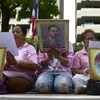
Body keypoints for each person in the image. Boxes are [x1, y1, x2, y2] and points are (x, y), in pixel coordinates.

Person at [0, 25, 39, 94]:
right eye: (13, 32)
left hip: (23, 78)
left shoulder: (30, 48)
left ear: (24, 36)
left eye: (18, 32)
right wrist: (7, 64)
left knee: (10, 84)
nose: (14, 33)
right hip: (5, 76)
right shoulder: (6, 48)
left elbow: (34, 66)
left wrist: (16, 63)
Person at [72, 29, 96, 94]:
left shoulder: (98, 52)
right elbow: (75, 70)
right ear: (83, 41)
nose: (90, 41)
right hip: (85, 76)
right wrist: (84, 71)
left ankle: (87, 88)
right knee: (76, 78)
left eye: (92, 39)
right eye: (87, 39)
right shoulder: (78, 54)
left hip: (97, 76)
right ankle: (88, 88)